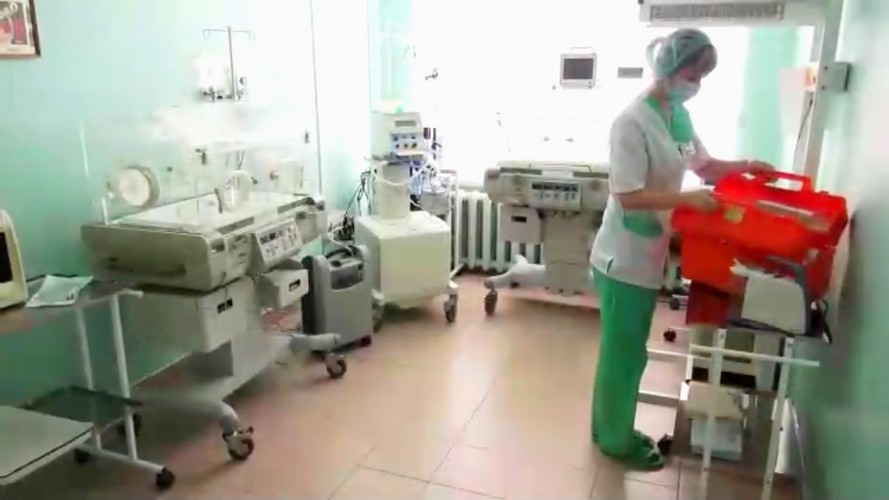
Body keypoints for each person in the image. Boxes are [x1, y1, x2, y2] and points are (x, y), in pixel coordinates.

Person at [588, 28, 774, 470]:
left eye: (703, 77)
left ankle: (606, 426)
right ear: (670, 69)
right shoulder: (631, 122)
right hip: (622, 257)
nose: (698, 85)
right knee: (624, 354)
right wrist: (686, 199)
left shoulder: (675, 114)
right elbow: (627, 195)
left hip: (646, 250)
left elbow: (704, 166)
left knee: (624, 351)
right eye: (694, 75)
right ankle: (614, 439)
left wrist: (747, 167)